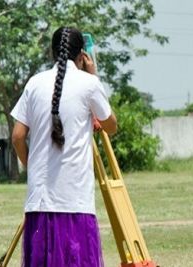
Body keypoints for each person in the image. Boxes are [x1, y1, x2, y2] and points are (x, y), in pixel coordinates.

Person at [10, 26, 117, 266]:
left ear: (52, 52)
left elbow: (17, 136)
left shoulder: (34, 83)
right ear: (82, 55)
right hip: (75, 198)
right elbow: (111, 126)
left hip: (40, 200)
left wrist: (31, 165)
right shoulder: (89, 84)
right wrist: (94, 76)